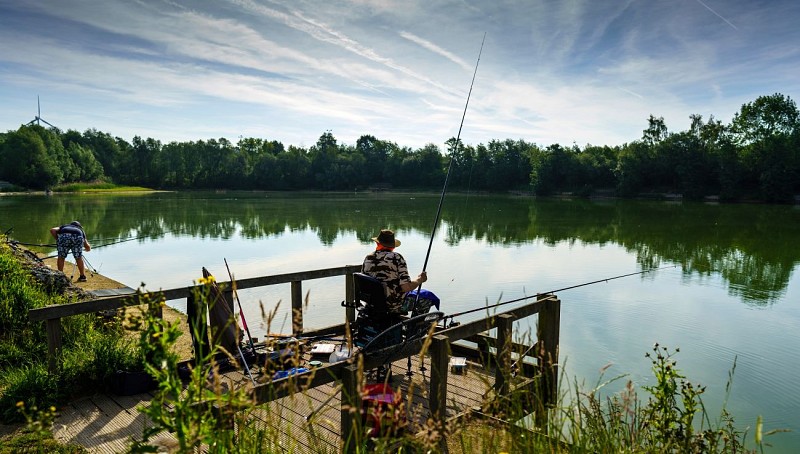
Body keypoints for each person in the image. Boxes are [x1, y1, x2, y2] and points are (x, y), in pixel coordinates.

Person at [362, 229, 427, 316]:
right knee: (426, 298)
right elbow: (406, 287)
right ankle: (413, 328)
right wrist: (420, 279)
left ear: (378, 243)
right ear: (393, 246)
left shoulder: (368, 258)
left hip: (371, 304)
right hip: (393, 306)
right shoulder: (397, 258)